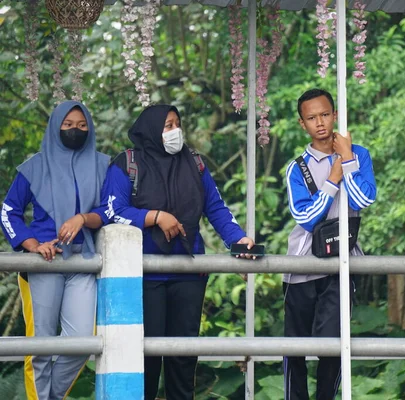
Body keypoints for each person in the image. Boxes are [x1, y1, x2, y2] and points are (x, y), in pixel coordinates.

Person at [97, 105, 256, 400]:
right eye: (167, 125)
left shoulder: (194, 163)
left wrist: (238, 241)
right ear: (152, 130)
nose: (174, 131)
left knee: (184, 359)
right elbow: (113, 210)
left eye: (177, 124)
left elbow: (216, 208)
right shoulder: (127, 163)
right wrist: (155, 216)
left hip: (188, 273)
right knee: (145, 359)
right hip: (144, 275)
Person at [0, 101, 110, 400]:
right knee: (41, 345)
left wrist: (83, 219)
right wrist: (31, 244)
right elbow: (8, 211)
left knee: (82, 343)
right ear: (55, 127)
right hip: (43, 263)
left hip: (83, 261)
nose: (76, 130)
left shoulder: (103, 165)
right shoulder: (34, 166)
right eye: (68, 125)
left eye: (83, 125)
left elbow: (112, 209)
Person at [283, 88, 376, 400]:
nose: (320, 123)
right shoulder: (297, 167)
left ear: (335, 115)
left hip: (341, 264)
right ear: (302, 123)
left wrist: (347, 160)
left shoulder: (358, 154)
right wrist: (332, 180)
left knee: (334, 345)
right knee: (293, 347)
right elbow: (306, 217)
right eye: (312, 118)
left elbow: (364, 198)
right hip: (300, 267)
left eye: (324, 114)